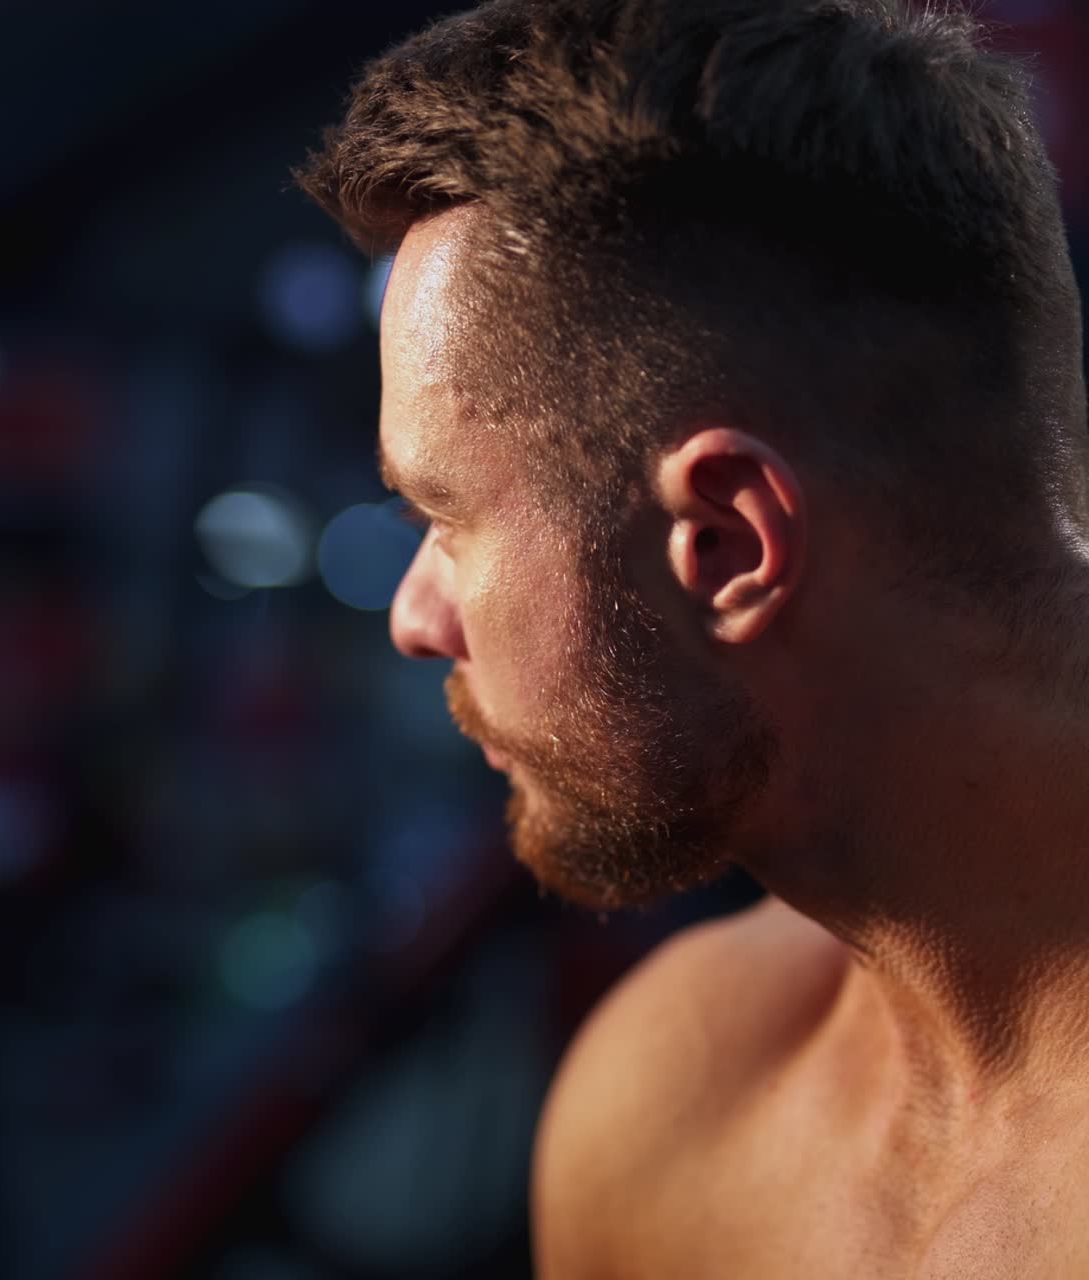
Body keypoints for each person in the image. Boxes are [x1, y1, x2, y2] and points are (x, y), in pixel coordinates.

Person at [296, 0, 1089, 1273]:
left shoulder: (675, 1103)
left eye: (442, 516)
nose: (411, 617)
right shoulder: (672, 1090)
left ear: (726, 542)